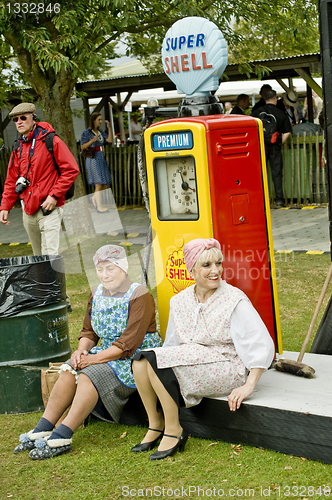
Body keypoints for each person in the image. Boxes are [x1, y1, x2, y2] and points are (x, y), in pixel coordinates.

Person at [14, 244, 162, 460]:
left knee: (88, 375)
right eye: (100, 270)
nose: (104, 275)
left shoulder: (140, 296)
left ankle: (63, 435)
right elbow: (89, 332)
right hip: (107, 351)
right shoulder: (97, 293)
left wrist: (92, 359)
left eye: (110, 269)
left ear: (123, 268)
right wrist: (81, 351)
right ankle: (44, 427)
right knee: (69, 369)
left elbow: (128, 344)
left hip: (135, 358)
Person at [132, 238, 274, 461]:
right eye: (207, 265)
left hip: (227, 366)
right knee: (141, 361)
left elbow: (260, 344)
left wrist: (249, 385)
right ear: (192, 270)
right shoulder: (179, 301)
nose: (215, 270)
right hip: (194, 358)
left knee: (158, 364)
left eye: (218, 263)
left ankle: (174, 430)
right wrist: (168, 359)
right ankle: (155, 424)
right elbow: (171, 344)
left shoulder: (234, 299)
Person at [0, 103, 79, 256]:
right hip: (28, 211)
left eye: (23, 118)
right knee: (38, 258)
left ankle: (53, 280)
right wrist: (5, 206)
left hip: (49, 208)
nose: (19, 122)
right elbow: (11, 180)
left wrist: (54, 196)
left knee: (49, 258)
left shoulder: (51, 140)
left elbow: (71, 169)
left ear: (33, 118)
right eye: (15, 120)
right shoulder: (18, 147)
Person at [252, 89, 292, 207]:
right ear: (275, 99)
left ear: (264, 99)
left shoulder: (256, 113)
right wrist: (279, 141)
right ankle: (279, 200)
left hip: (260, 147)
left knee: (260, 173)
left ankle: (261, 200)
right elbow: (287, 131)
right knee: (277, 173)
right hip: (275, 147)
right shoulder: (280, 113)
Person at [80, 112, 113, 213]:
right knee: (98, 183)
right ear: (93, 120)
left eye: (101, 120)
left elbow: (110, 140)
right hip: (93, 158)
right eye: (99, 120)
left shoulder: (101, 131)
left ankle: (94, 198)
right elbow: (82, 147)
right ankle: (99, 207)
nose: (100, 121)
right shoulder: (87, 133)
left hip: (101, 157)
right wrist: (92, 141)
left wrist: (109, 127)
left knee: (105, 183)